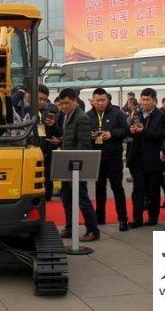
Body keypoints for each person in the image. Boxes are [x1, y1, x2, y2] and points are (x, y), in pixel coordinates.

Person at [56, 88, 99, 242]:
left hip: (76, 166)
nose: (63, 106)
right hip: (67, 164)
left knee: (82, 198)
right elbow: (69, 139)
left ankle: (93, 229)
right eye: (61, 104)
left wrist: (73, 160)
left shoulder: (82, 118)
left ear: (75, 101)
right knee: (66, 198)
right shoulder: (67, 115)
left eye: (67, 103)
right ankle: (69, 227)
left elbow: (83, 145)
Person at [87, 88, 129, 231]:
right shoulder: (88, 115)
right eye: (97, 100)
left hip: (114, 156)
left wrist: (112, 133)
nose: (100, 103)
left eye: (103, 100)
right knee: (99, 188)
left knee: (117, 187)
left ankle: (123, 220)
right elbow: (84, 133)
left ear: (107, 99)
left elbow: (126, 130)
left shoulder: (117, 113)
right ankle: (100, 217)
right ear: (92, 101)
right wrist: (91, 135)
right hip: (97, 156)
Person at [127, 88, 165, 227]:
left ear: (154, 100)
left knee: (153, 190)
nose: (144, 103)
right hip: (137, 158)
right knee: (138, 190)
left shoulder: (160, 116)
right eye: (143, 99)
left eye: (147, 100)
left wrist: (144, 132)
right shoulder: (137, 114)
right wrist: (131, 131)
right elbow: (130, 132)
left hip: (153, 159)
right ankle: (137, 219)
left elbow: (159, 136)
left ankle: (152, 218)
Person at [23, 85, 61, 199]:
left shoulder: (52, 111)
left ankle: (48, 199)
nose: (42, 102)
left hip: (47, 151)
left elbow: (59, 133)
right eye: (40, 99)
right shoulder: (25, 110)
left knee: (47, 179)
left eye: (45, 99)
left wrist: (53, 125)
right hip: (30, 151)